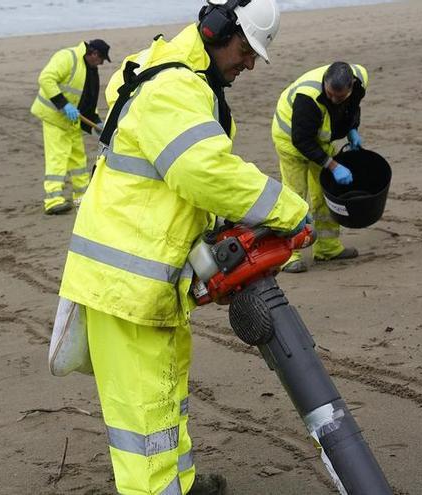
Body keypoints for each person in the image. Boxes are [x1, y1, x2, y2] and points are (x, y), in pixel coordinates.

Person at [56, 1, 308, 493]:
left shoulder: (173, 79)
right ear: (216, 31)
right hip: (128, 282)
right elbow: (202, 171)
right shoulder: (174, 87)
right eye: (245, 49)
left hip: (145, 279)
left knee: (166, 394)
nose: (250, 63)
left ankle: (182, 483)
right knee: (145, 417)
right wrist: (290, 211)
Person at [272, 62, 368, 273]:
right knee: (294, 197)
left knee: (325, 194)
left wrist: (353, 129)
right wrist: (333, 165)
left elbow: (353, 108)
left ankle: (328, 248)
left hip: (319, 139)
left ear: (351, 86)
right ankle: (288, 255)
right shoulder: (308, 97)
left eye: (339, 96)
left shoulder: (360, 79)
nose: (334, 100)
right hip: (290, 140)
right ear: (325, 82)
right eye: (330, 94)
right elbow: (302, 141)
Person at [31, 39, 110, 215]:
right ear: (94, 54)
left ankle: (81, 198)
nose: (102, 63)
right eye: (101, 59)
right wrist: (63, 105)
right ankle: (53, 201)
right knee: (58, 157)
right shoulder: (68, 57)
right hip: (55, 118)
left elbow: (87, 101)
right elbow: (46, 78)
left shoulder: (90, 70)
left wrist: (96, 124)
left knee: (78, 160)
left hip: (72, 122)